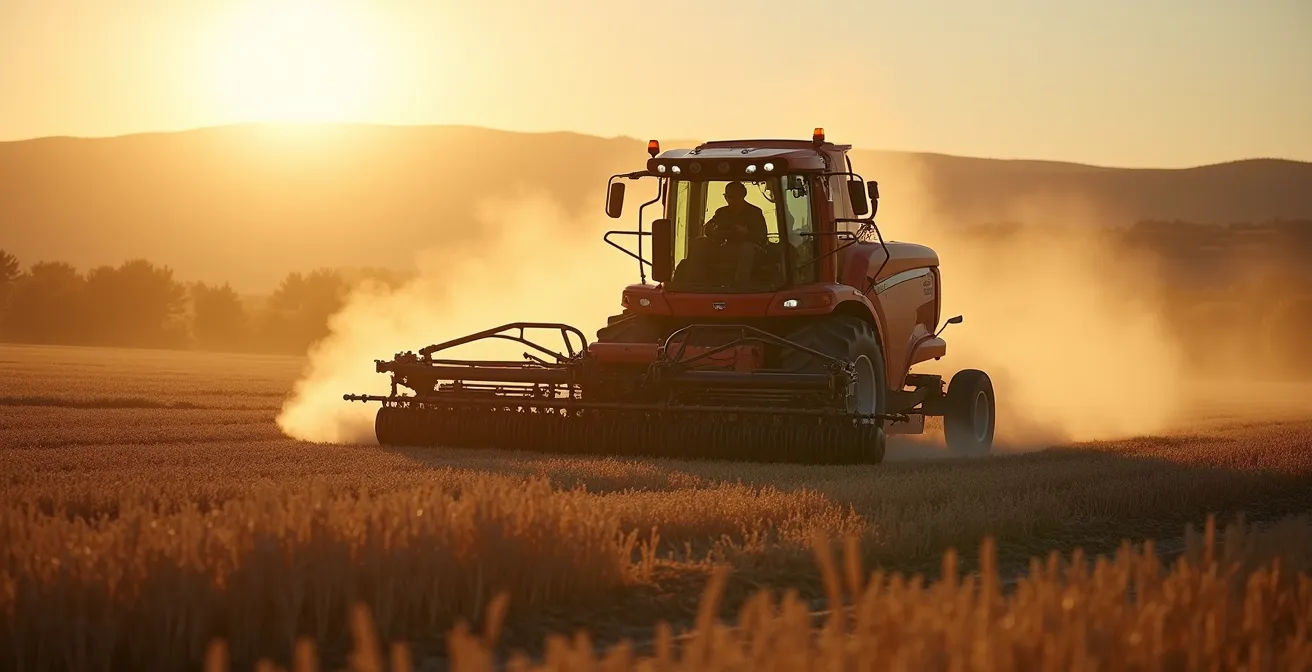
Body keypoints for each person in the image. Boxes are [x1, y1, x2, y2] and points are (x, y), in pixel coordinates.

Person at [683, 182, 769, 284]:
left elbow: (762, 238)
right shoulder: (721, 212)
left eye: (735, 197)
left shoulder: (755, 213)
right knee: (699, 242)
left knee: (747, 248)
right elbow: (708, 229)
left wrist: (746, 233)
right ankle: (694, 282)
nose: (731, 200)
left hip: (749, 250)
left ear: (743, 195)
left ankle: (741, 285)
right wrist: (716, 232)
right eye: (728, 197)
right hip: (724, 246)